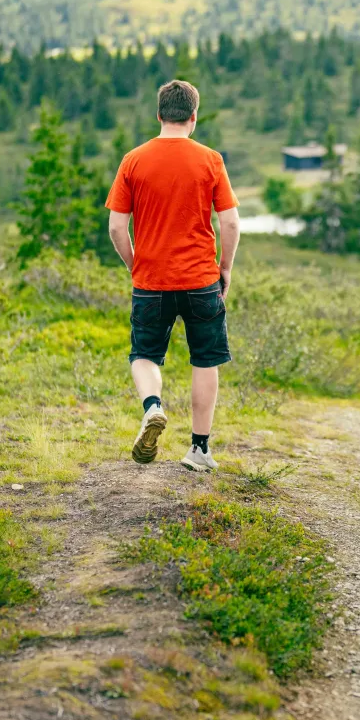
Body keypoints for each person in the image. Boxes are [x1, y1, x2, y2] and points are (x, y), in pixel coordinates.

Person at [107, 79, 241, 472]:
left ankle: (153, 407)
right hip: (201, 279)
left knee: (144, 354)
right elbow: (230, 224)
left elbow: (117, 228)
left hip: (151, 281)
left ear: (159, 115)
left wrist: (137, 265)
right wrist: (225, 268)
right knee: (205, 359)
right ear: (193, 117)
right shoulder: (210, 160)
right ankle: (199, 449)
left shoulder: (133, 160)